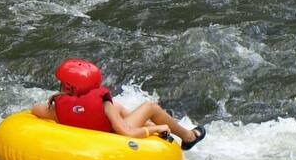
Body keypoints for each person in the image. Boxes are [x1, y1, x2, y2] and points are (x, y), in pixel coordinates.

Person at [30, 59, 206, 148]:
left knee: (120, 108)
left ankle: (152, 123)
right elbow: (126, 132)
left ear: (67, 86)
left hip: (86, 135)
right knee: (150, 107)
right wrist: (153, 130)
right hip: (111, 135)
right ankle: (189, 137)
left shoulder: (55, 109)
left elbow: (35, 110)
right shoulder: (104, 105)